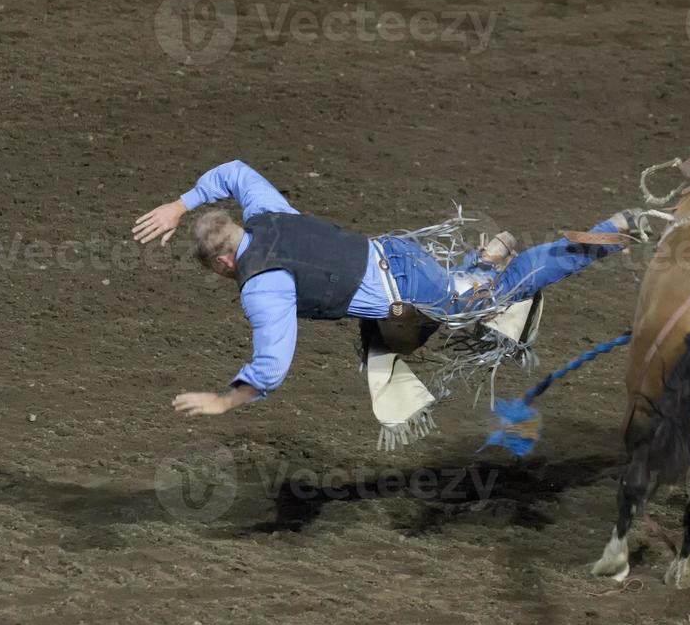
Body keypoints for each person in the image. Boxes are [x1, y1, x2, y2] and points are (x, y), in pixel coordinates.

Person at [133, 160, 645, 443]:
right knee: (460, 292)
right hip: (394, 251)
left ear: (223, 264)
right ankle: (483, 261)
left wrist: (224, 400)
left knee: (496, 297)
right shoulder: (267, 212)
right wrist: (181, 205)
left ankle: (605, 235)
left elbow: (271, 365)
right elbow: (235, 172)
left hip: (407, 291)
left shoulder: (264, 286)